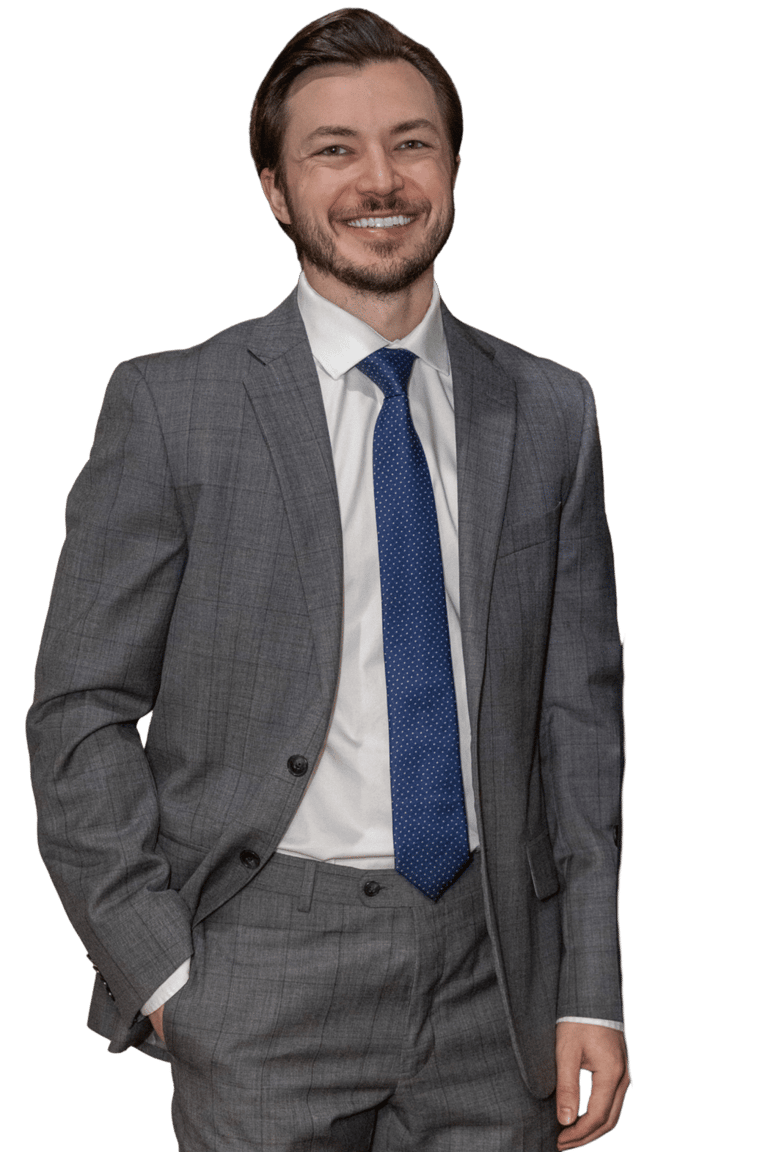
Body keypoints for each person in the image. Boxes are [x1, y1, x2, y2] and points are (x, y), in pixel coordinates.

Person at [27, 8, 630, 1150]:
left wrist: (589, 985)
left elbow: (581, 722)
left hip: (495, 974)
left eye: (411, 143)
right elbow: (79, 710)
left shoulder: (552, 410)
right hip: (258, 969)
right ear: (275, 189)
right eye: (333, 150)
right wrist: (161, 970)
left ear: (454, 168)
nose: (379, 180)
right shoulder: (173, 404)